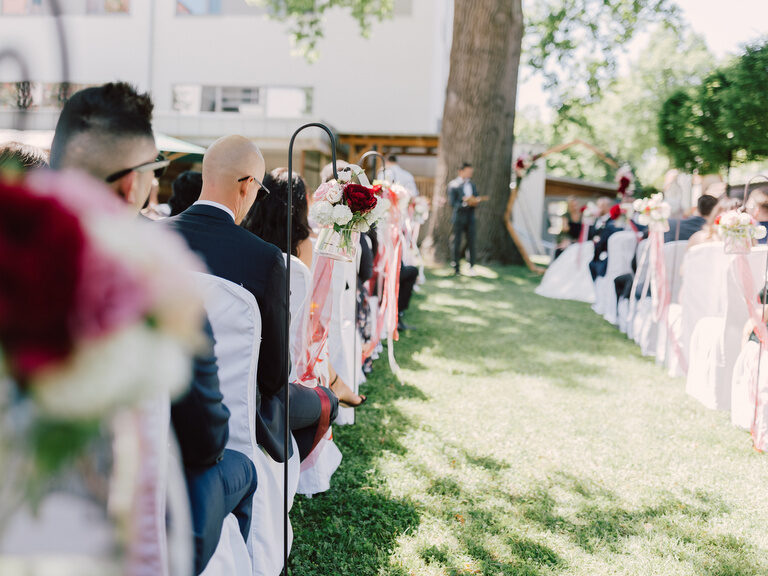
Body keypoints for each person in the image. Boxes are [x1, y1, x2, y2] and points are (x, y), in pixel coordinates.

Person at [50, 82, 257, 575]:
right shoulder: (160, 285)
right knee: (241, 470)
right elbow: (206, 436)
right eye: (153, 172)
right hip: (127, 537)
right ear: (131, 185)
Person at [169, 136, 339, 461]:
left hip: (163, 404)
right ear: (247, 185)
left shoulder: (151, 238)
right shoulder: (265, 259)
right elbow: (275, 376)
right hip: (241, 417)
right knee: (323, 401)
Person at [241, 167, 362, 408]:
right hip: (286, 345)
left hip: (248, 332)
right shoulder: (307, 245)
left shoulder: (245, 236)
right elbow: (305, 305)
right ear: (302, 203)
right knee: (309, 327)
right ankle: (336, 383)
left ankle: (336, 382)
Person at [448, 162, 479, 275]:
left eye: (471, 172)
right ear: (461, 171)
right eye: (468, 171)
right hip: (459, 217)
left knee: (471, 241)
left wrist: (474, 201)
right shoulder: (453, 184)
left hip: (470, 216)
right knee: (457, 242)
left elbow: (476, 196)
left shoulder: (472, 184)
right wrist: (465, 203)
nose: (470, 174)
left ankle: (471, 266)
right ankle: (456, 267)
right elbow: (452, 202)